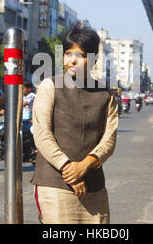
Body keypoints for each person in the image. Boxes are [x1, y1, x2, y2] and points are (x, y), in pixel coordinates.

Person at [32, 22, 118, 224]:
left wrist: (86, 165)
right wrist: (69, 169)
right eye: (68, 53)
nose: (72, 60)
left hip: (94, 186)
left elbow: (109, 140)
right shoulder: (49, 86)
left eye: (80, 55)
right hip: (55, 184)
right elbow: (42, 135)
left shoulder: (105, 95)